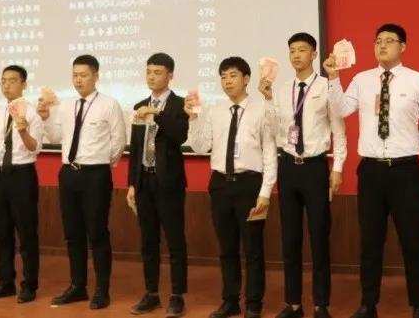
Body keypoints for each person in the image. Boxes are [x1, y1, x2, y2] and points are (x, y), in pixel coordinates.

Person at [326, 23, 419, 318]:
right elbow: (340, 109)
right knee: (370, 242)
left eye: (389, 41)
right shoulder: (362, 80)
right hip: (371, 172)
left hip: (405, 171)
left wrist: (414, 142)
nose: (382, 46)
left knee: (412, 241)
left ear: (403, 47)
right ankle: (368, 305)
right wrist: (334, 77)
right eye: (378, 41)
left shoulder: (418, 81)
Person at [258, 33, 347, 318]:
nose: (296, 55)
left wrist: (337, 168)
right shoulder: (283, 89)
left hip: (315, 168)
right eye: (292, 51)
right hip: (288, 167)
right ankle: (293, 303)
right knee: (290, 238)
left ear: (314, 54)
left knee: (319, 237)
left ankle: (321, 304)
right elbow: (274, 129)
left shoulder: (325, 86)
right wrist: (268, 100)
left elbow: (339, 130)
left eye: (302, 50)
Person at [186, 56, 277, 318]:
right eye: (223, 77)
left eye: (233, 76)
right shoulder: (215, 111)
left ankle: (254, 303)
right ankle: (230, 300)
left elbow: (270, 153)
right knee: (226, 248)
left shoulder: (261, 110)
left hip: (250, 184)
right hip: (220, 185)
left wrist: (265, 193)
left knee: (253, 249)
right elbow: (200, 147)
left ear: (246, 79)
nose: (227, 81)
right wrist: (193, 119)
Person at [40, 54, 128, 310]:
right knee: (73, 234)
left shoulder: (109, 105)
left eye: (83, 75)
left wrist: (99, 164)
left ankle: (101, 290)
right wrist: (46, 118)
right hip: (69, 173)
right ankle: (77, 286)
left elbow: (118, 142)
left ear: (96, 76)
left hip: (95, 175)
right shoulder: (67, 105)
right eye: (75, 75)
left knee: (97, 233)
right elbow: (55, 137)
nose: (78, 80)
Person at [126, 53, 189, 317]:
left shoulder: (180, 104)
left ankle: (177, 296)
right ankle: (151, 293)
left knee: (175, 241)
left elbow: (179, 135)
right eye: (149, 72)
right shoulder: (139, 106)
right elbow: (135, 148)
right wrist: (132, 184)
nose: (152, 77)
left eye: (158, 72)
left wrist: (157, 114)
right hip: (144, 181)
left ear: (170, 75)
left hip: (169, 183)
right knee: (148, 241)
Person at [0, 64, 44, 304]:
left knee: (26, 233)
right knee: (1, 233)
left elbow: (34, 147)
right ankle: (4, 282)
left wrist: (23, 130)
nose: (7, 85)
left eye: (12, 81)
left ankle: (29, 285)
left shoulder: (32, 114)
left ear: (24, 84)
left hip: (22, 175)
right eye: (3, 81)